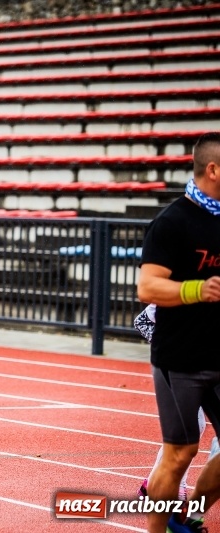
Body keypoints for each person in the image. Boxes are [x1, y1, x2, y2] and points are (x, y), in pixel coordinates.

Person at [137, 131, 220, 533]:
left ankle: (188, 516)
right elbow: (148, 287)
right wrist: (197, 290)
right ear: (213, 170)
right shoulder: (173, 221)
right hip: (181, 359)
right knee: (181, 452)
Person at [133, 304, 220, 502]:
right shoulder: (183, 290)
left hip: (209, 366)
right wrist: (172, 349)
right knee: (190, 429)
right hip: (177, 369)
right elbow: (142, 321)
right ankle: (175, 488)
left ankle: (153, 483)